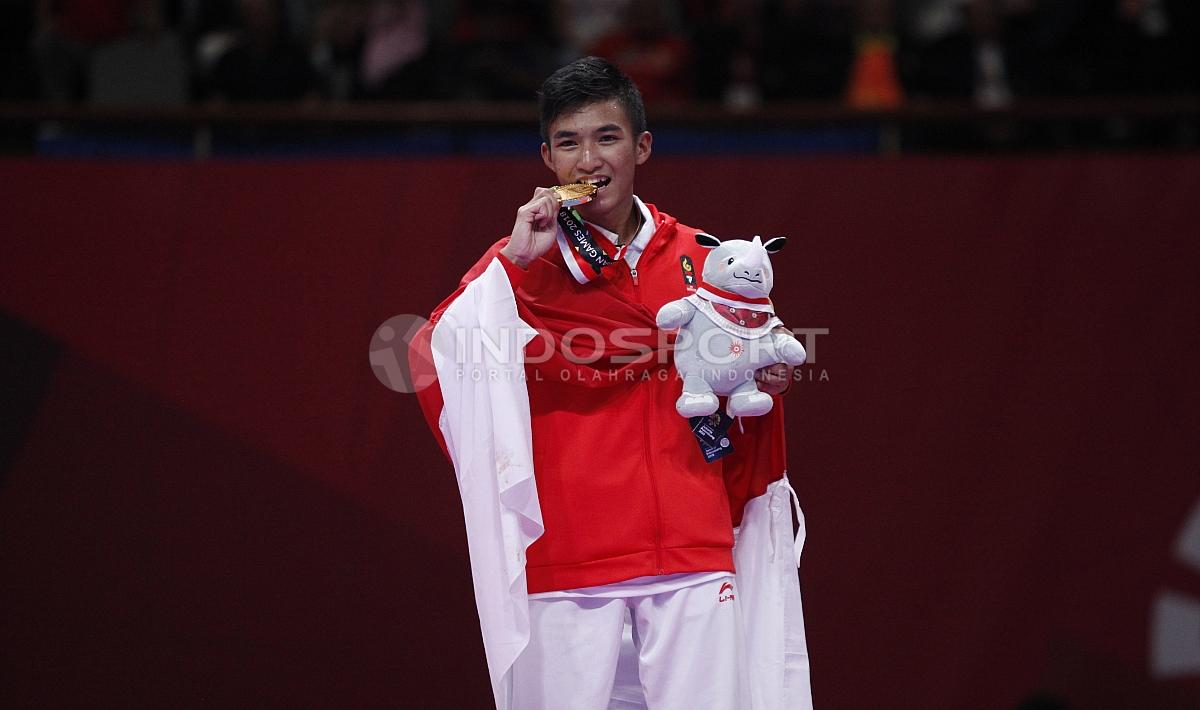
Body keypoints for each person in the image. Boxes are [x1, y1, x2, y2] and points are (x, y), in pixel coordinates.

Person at [411, 56, 811, 710]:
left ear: (641, 146)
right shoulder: (518, 260)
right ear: (546, 158)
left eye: (607, 137)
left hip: (690, 548)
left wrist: (766, 375)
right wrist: (513, 265)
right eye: (568, 143)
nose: (588, 159)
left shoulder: (704, 259)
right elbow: (436, 358)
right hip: (570, 560)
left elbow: (749, 371)